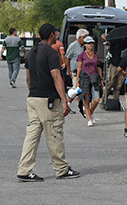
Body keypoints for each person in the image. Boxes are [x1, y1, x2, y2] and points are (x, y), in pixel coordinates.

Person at [16, 23, 80, 182]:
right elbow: (56, 77)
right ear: (52, 34)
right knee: (54, 134)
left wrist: (33, 92)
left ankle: (24, 169)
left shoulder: (32, 52)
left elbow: (28, 78)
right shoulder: (51, 53)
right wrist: (65, 101)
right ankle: (62, 169)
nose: (57, 36)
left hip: (33, 98)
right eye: (55, 33)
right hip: (48, 100)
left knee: (32, 135)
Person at [75, 36, 104, 127]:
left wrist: (101, 79)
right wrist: (77, 81)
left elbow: (98, 67)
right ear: (85, 45)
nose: (90, 45)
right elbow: (79, 68)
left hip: (95, 78)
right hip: (85, 78)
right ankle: (89, 119)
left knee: (96, 99)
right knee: (86, 100)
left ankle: (90, 113)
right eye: (88, 43)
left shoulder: (96, 55)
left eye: (92, 43)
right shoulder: (82, 55)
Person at [65, 28, 88, 118]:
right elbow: (67, 57)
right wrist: (69, 70)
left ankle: (72, 105)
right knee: (77, 90)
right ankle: (71, 106)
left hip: (83, 72)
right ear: (80, 37)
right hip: (75, 71)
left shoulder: (84, 46)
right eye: (85, 37)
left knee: (80, 90)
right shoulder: (73, 46)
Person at [103, 34, 127, 100]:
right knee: (110, 83)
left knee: (118, 86)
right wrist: (105, 38)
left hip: (123, 66)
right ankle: (103, 100)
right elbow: (107, 42)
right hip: (114, 64)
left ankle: (116, 101)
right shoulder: (116, 38)